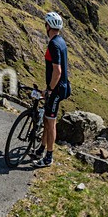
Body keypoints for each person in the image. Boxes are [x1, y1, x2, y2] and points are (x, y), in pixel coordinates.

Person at [33, 12, 71, 168]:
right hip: (60, 87)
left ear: (47, 26)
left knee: (50, 122)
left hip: (57, 89)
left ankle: (48, 157)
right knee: (46, 119)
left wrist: (49, 90)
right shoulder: (60, 41)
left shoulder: (54, 44)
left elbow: (58, 71)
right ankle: (41, 148)